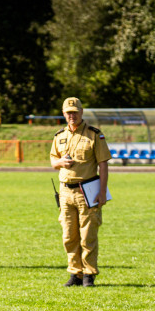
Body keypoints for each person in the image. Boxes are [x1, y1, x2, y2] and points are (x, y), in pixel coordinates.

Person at [50, 97, 111, 287]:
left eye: (75, 111)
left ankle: (89, 274)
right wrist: (61, 163)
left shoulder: (94, 135)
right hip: (65, 192)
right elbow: (53, 162)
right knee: (69, 236)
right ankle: (75, 273)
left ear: (82, 112)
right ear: (63, 114)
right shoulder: (59, 135)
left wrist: (102, 192)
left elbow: (103, 165)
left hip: (87, 191)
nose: (72, 115)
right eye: (68, 112)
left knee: (88, 236)